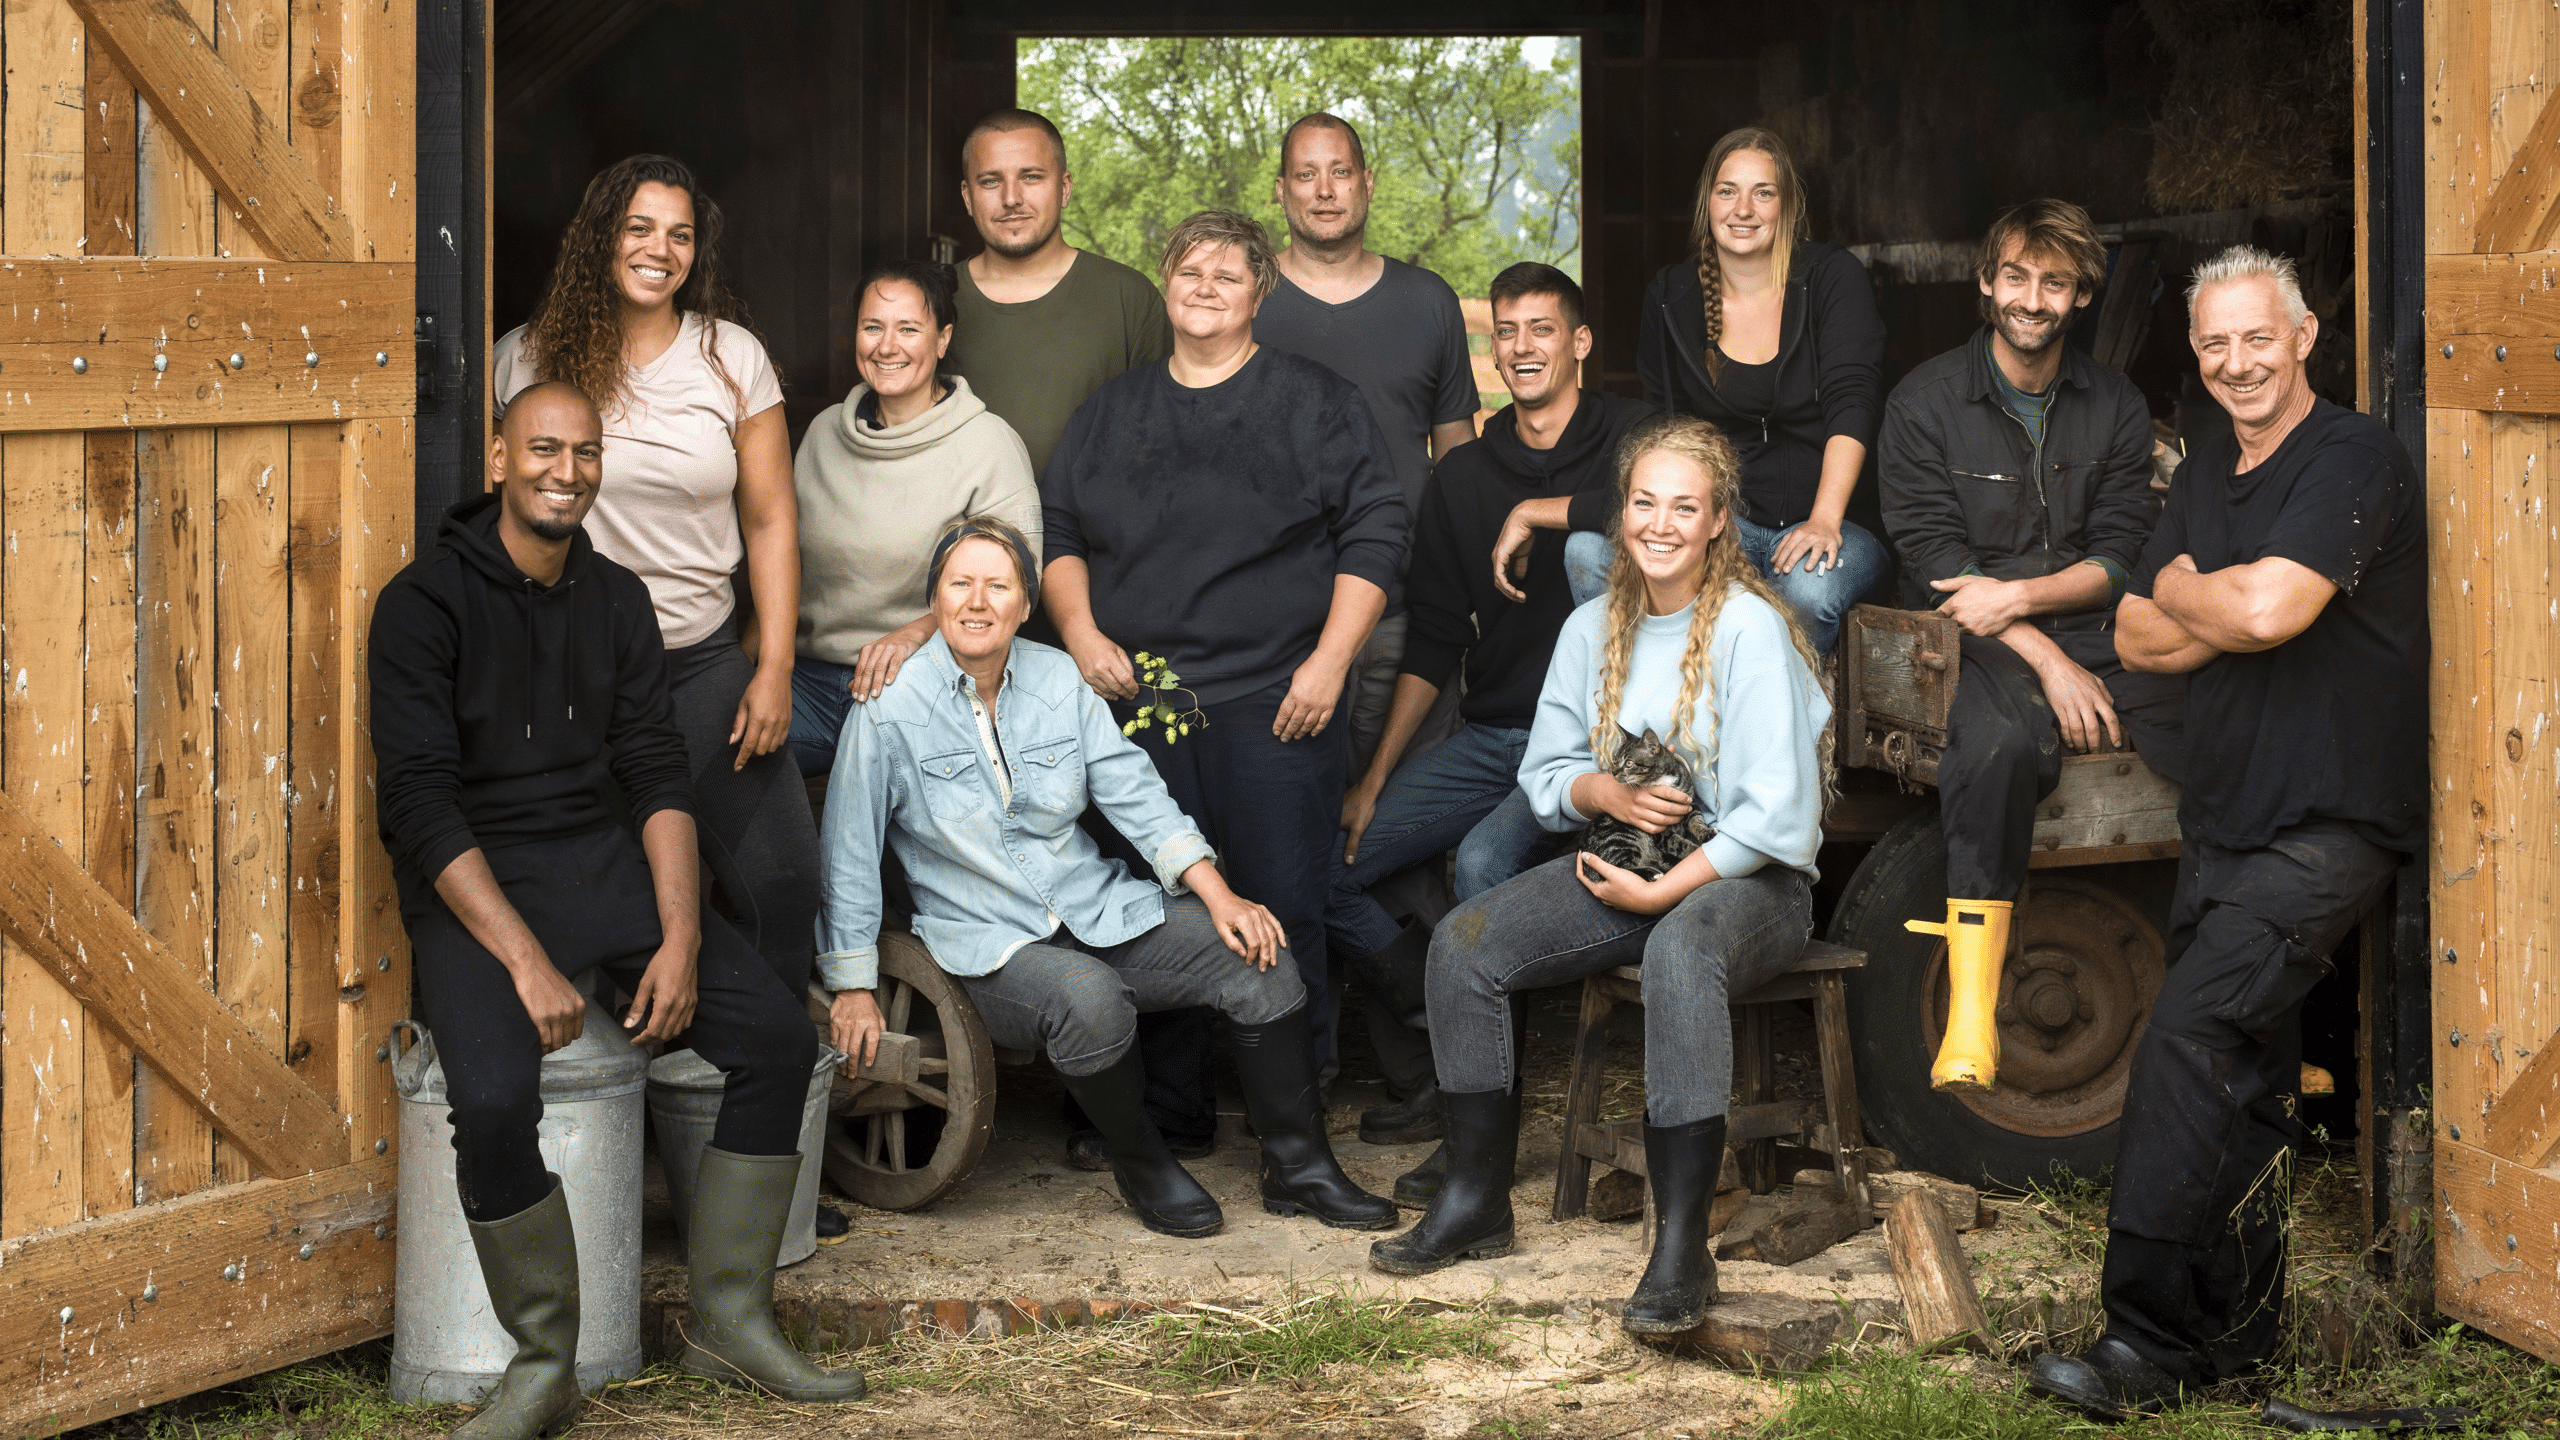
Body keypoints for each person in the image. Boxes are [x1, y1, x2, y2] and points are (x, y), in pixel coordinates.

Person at [370, 383, 867, 1436]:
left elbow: (653, 773)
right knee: (496, 1102)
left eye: (584, 453)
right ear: (498, 460)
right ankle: (545, 1360)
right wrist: (525, 963)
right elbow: (417, 805)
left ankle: (732, 1321)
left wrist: (681, 935)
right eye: (542, 449)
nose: (566, 471)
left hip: (599, 862)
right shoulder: (422, 605)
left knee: (778, 1039)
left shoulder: (618, 601)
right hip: (475, 888)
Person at [2027, 247, 2423, 1418]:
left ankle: (2141, 1345)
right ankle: (2239, 1342)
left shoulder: (2352, 456)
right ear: (2193, 357)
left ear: (2303, 338)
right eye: (2213, 346)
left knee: (2188, 1044)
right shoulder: (2206, 466)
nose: (2236, 363)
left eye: (2258, 338)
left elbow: (2263, 607)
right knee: (2246, 1080)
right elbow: (2141, 636)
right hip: (2230, 817)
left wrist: (2217, 593)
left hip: (2330, 825)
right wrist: (2225, 602)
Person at [1368, 414, 1832, 1344]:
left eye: (1684, 507)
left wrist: (1664, 895)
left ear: (1716, 523)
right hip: (1632, 865)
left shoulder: (1746, 628)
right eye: (1644, 502)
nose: (1661, 523)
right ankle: (1474, 1198)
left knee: (1680, 948)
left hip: (1753, 888)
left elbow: (1778, 818)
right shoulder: (1591, 627)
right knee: (1464, 947)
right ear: (1620, 515)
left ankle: (1681, 1248)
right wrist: (1606, 792)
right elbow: (1545, 780)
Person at [815, 516, 1395, 1238]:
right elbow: (847, 851)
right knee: (1088, 997)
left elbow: (1137, 794)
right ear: (933, 599)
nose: (977, 601)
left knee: (1259, 953)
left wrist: (1221, 896)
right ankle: (1141, 1160)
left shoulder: (1057, 680)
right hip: (987, 946)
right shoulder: (890, 709)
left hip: (1096, 911)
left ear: (1026, 604)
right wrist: (853, 984)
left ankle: (1300, 1168)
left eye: (998, 586)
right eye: (959, 583)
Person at [1043, 208, 1405, 1169]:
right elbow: (1060, 531)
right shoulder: (1111, 413)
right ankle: (1174, 1114)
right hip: (1142, 701)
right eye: (1189, 269)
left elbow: (1376, 530)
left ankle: (1296, 1130)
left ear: (1259, 293)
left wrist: (1330, 662)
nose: (1205, 286)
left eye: (1227, 275)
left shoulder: (1314, 402)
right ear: (1166, 282)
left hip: (1276, 695)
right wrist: (1079, 631)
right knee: (1154, 907)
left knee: (1281, 904)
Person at [1327, 262, 1651, 1193]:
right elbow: (1432, 638)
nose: (1522, 347)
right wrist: (1378, 776)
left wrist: (1540, 512)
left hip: (1603, 746)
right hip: (1497, 734)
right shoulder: (1461, 475)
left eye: (1542, 329)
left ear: (1580, 342)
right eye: (1506, 332)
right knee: (1335, 862)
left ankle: (1482, 1141)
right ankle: (1442, 1049)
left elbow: (1694, 505)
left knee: (1477, 867)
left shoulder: (1632, 438)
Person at [1876, 199, 2188, 1092]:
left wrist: (2033, 601)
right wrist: (2048, 660)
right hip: (1963, 634)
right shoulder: (1925, 403)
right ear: (1987, 282)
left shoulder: (2118, 405)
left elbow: (2123, 557)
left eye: (2055, 281)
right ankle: (1973, 1012)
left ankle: (2226, 983)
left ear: (2083, 294)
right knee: (2004, 744)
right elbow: (1940, 565)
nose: (2032, 297)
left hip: (2091, 623)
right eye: (2016, 276)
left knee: (2224, 716)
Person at [493, 155, 819, 1000]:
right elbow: (489, 516)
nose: (659, 249)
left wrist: (773, 666)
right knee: (595, 901)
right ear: (601, 236)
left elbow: (771, 519)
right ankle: (612, 1111)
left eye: (680, 234)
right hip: (565, 667)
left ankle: (753, 1085)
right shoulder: (523, 359)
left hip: (700, 662)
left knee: (779, 881)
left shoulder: (731, 357)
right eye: (638, 227)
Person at [1518, 126, 1886, 653]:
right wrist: (1698, 532)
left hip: (1833, 518)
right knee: (1587, 552)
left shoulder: (1831, 277)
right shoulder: (1673, 297)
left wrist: (1825, 520)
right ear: (1706, 203)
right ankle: (1651, 716)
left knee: (1806, 588)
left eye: (1764, 192)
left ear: (1788, 206)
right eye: (1727, 190)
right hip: (1722, 520)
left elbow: (1854, 399)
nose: (1743, 208)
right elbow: (1672, 435)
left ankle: (1769, 727)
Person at [1254, 111, 1482, 774]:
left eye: (1340, 171)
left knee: (1396, 831)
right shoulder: (1244, 300)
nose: (1324, 189)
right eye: (1306, 174)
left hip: (1407, 610)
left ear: (1368, 184)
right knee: (1287, 827)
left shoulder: (1427, 300)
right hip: (1278, 615)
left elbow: (1458, 455)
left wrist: (1464, 578)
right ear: (1280, 190)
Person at [789, 261, 1042, 776]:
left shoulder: (988, 443)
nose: (888, 346)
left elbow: (1019, 584)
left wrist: (914, 635)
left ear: (943, 339)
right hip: (810, 684)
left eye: (909, 329)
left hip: (929, 679)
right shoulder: (820, 436)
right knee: (721, 753)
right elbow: (781, 558)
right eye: (872, 327)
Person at [944, 108, 1175, 481]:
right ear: (967, 197)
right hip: (963, 536)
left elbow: (1167, 443)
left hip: (1095, 537)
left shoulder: (1128, 297)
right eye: (990, 182)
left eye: (1031, 177)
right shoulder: (933, 303)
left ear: (1064, 188)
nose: (1011, 198)